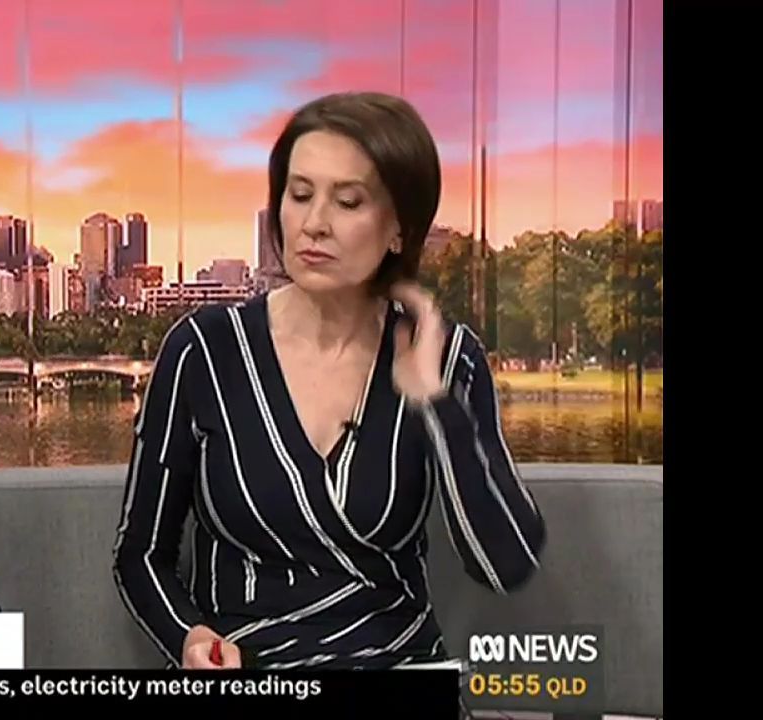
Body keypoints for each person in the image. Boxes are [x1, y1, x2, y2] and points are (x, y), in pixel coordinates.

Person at [112, 92, 545, 670]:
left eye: (347, 201)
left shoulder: (446, 355)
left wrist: (436, 402)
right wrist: (189, 640)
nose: (314, 224)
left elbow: (505, 563)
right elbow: (140, 555)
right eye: (299, 196)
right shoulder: (204, 351)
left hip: (396, 664)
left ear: (398, 228)